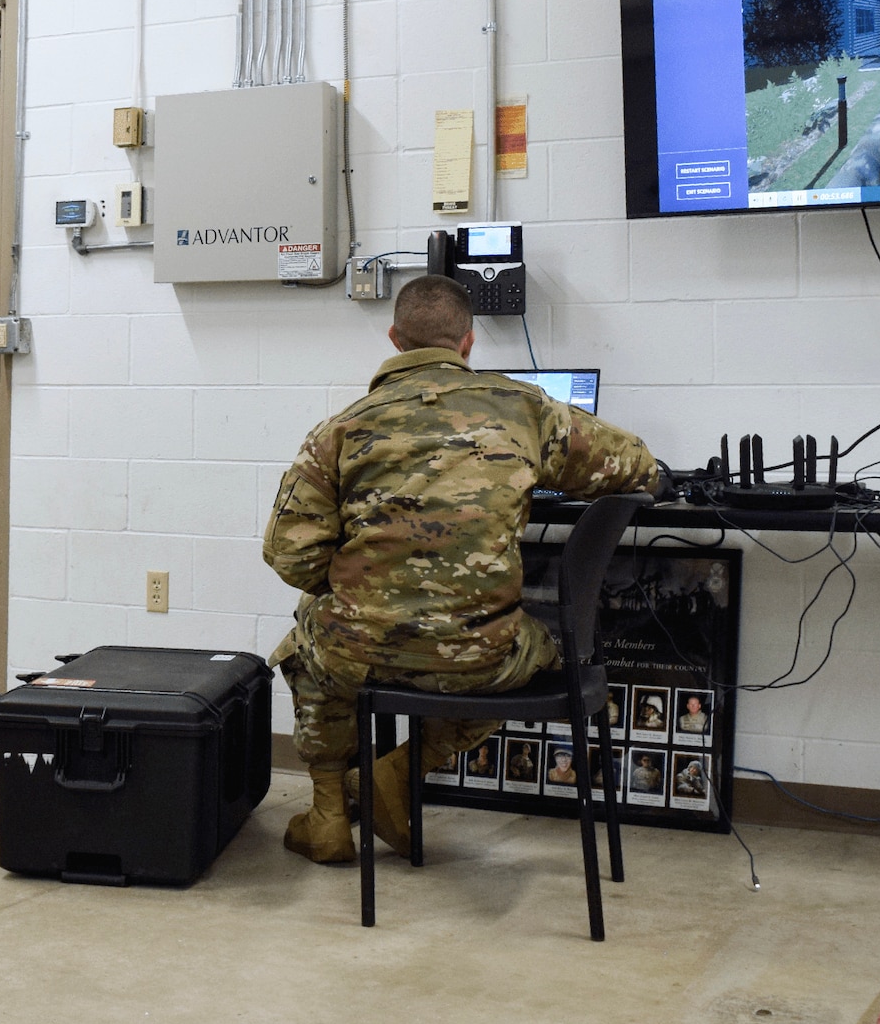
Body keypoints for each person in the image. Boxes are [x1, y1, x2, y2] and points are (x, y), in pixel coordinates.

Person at [262, 273, 667, 864]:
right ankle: (401, 769)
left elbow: (289, 553)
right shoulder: (525, 410)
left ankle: (329, 811)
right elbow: (636, 465)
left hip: (364, 653)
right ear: (469, 343)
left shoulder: (339, 430)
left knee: (310, 630)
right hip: (483, 659)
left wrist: (364, 589)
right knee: (542, 648)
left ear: (395, 339)